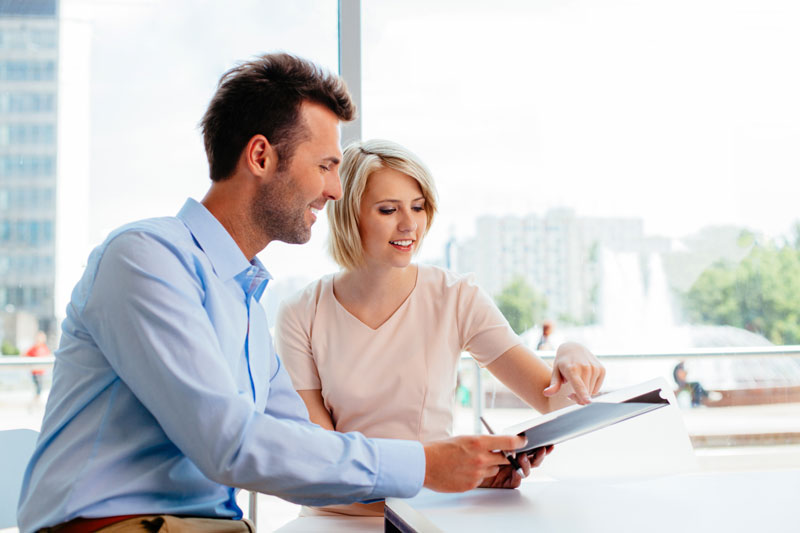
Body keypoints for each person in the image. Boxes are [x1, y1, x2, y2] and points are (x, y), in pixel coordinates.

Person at [17, 54, 527, 533]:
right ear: (261, 155)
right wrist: (427, 464)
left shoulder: (244, 304)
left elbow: (310, 449)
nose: (335, 190)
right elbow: (230, 443)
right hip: (120, 526)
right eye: (326, 166)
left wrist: (466, 468)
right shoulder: (145, 258)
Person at [275, 139, 606, 516]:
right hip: (336, 520)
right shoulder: (301, 313)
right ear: (349, 216)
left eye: (418, 207)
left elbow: (551, 400)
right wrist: (447, 476)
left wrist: (571, 353)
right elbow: (321, 464)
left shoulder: (456, 296)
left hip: (428, 516)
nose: (409, 224)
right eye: (388, 210)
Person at [24, 331, 50, 399]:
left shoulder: (44, 348)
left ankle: (37, 398)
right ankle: (36, 398)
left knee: (40, 387)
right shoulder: (33, 348)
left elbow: (48, 356)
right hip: (35, 372)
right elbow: (25, 355)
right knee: (37, 386)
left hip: (42, 372)